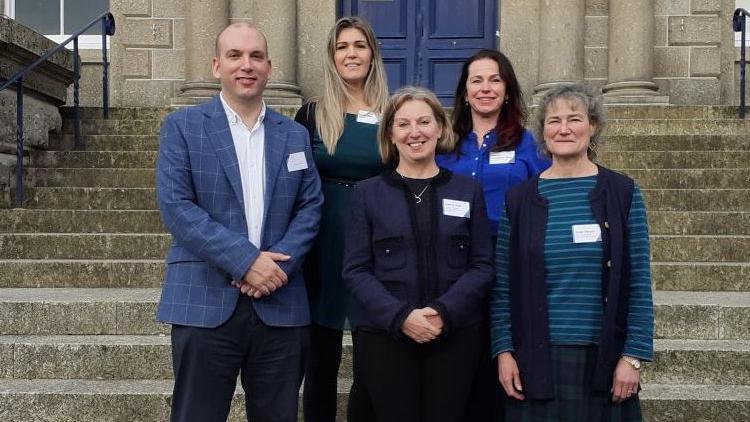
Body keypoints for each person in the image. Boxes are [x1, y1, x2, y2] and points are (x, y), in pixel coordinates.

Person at [155, 22, 323, 422]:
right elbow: (177, 207)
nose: (245, 65)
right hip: (204, 301)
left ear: (269, 66)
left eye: (255, 56)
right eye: (234, 56)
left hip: (280, 305)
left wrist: (275, 268)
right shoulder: (182, 128)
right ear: (216, 66)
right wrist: (247, 261)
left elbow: (311, 206)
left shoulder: (295, 135)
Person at [490, 84, 653, 421]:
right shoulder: (518, 200)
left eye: (574, 119)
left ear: (593, 126)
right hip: (535, 358)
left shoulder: (622, 193)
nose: (564, 129)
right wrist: (504, 352)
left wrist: (633, 356)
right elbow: (503, 286)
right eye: (554, 121)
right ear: (542, 132)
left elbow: (637, 281)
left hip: (604, 360)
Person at [342, 86, 495, 422]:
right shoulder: (368, 194)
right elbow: (356, 270)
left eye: (424, 122)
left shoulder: (468, 190)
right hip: (386, 336)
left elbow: (482, 265)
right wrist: (401, 318)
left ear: (440, 128)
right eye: (403, 124)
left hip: (454, 334)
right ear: (391, 134)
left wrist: (442, 312)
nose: (415, 133)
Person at [436, 49, 549, 420]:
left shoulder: (529, 145)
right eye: (477, 80)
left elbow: (547, 195)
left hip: (508, 261)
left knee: (501, 351)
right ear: (464, 92)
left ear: (508, 89)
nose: (486, 88)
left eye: (495, 80)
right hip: (453, 264)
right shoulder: (445, 143)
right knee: (459, 357)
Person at [293, 16, 389, 422]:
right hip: (323, 239)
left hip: (378, 237)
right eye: (342, 46)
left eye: (359, 45)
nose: (351, 53)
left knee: (372, 354)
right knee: (321, 354)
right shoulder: (312, 114)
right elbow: (293, 181)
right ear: (332, 57)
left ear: (372, 54)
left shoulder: (395, 112)